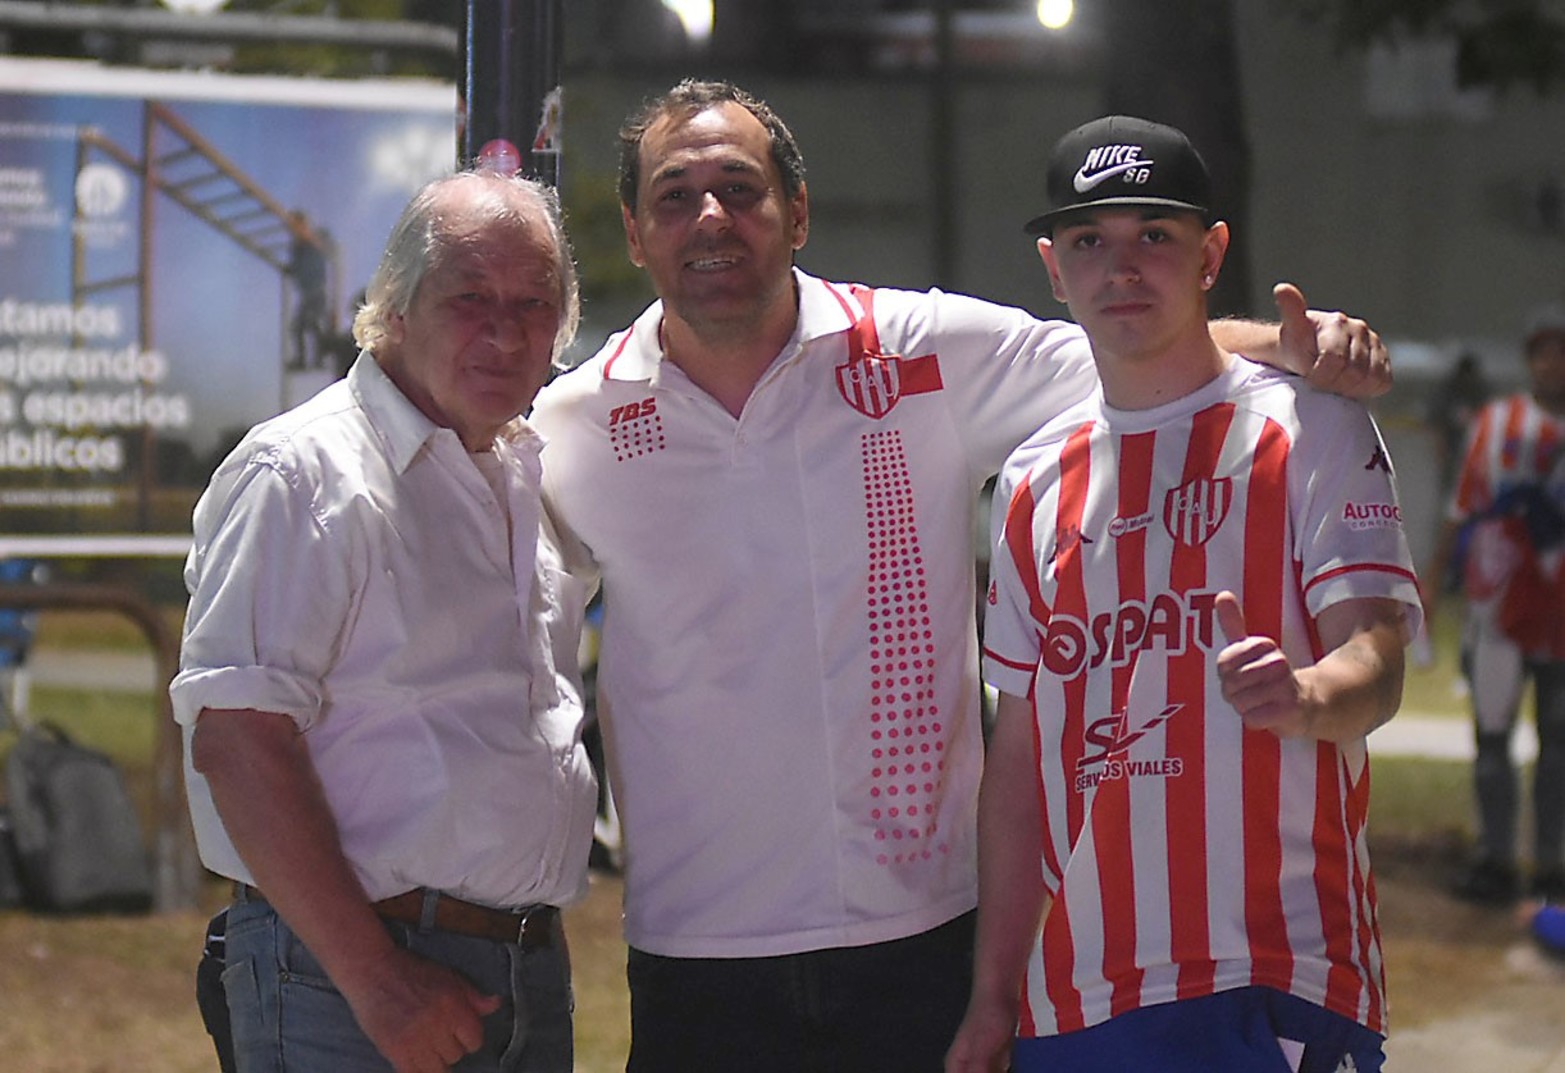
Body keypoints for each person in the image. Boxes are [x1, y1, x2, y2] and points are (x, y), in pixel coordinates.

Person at [530, 80, 1390, 1072]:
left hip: (927, 926)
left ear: (797, 213)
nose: (710, 217)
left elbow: (1130, 344)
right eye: (675, 196)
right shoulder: (573, 424)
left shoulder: (915, 350)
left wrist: (1293, 343)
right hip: (697, 946)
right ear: (634, 234)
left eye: (740, 187)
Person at [946, 115, 1420, 1073]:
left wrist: (1306, 697)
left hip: (1274, 965)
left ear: (1210, 253)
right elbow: (1020, 764)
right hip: (1078, 989)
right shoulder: (1033, 480)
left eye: (1152, 236)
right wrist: (994, 996)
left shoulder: (1307, 424)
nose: (1120, 267)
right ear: (1051, 267)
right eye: (1089, 241)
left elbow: (1376, 658)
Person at [170, 169, 596, 1073]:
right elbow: (239, 742)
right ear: (394, 309)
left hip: (519, 971)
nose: (506, 329)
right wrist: (373, 977)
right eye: (469, 297)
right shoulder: (303, 473)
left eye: (535, 302)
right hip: (353, 975)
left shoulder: (524, 473)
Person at [1425, 303, 1565, 905]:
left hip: (1560, 615)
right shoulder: (1498, 421)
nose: (1553, 362)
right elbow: (1462, 508)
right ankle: (1497, 858)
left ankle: (1552, 864)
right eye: (1544, 350)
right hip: (1499, 608)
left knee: (1558, 741)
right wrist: (1434, 579)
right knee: (1493, 736)